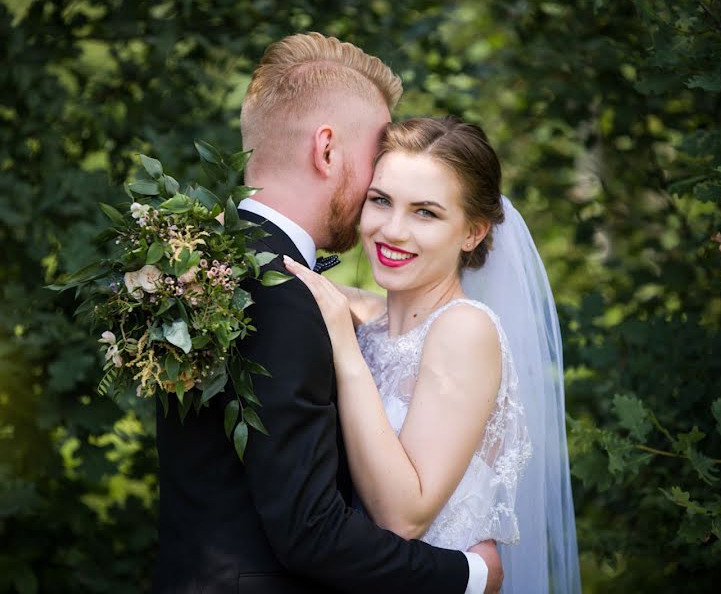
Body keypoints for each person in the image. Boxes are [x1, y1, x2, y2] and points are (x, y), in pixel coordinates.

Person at [153, 34, 503, 593]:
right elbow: (311, 530)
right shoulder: (280, 293)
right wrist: (471, 576)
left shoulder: (201, 267)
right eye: (376, 163)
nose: (377, 192)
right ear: (327, 151)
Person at [284, 117, 582, 593]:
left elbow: (403, 518)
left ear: (473, 233)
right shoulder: (375, 321)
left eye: (426, 212)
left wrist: (344, 349)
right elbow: (296, 278)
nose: (393, 230)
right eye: (381, 201)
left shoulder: (465, 329)